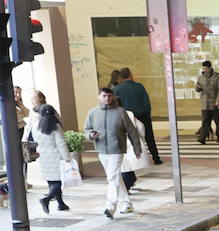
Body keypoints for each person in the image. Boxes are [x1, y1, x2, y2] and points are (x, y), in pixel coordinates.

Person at [84, 87, 143, 219]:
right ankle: (127, 203)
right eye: (104, 96)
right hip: (101, 149)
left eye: (109, 96)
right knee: (115, 177)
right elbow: (87, 130)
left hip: (117, 149)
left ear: (113, 97)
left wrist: (137, 148)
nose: (107, 99)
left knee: (112, 177)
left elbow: (132, 131)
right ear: (99, 97)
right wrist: (91, 135)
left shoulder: (120, 112)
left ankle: (110, 206)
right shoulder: (93, 113)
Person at [30, 103, 72, 213]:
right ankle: (46, 199)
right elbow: (61, 144)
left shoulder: (35, 126)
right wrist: (67, 158)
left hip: (43, 156)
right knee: (58, 182)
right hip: (56, 156)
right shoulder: (55, 126)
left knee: (51, 181)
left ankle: (61, 204)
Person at [114, 67, 159, 165]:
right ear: (130, 75)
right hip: (142, 115)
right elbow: (146, 102)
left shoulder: (117, 89)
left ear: (121, 76)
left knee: (129, 139)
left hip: (126, 117)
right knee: (149, 137)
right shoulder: (139, 86)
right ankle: (156, 158)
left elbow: (115, 104)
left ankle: (129, 160)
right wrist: (147, 113)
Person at [194, 60, 219, 144]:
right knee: (205, 121)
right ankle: (202, 137)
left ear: (210, 68)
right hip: (205, 104)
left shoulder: (217, 76)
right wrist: (197, 88)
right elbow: (197, 89)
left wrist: (218, 100)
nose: (204, 70)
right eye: (203, 68)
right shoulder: (200, 77)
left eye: (206, 68)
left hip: (215, 103)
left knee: (218, 121)